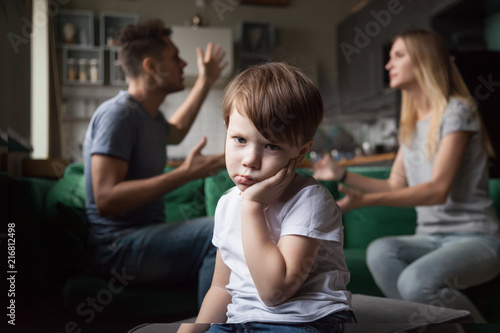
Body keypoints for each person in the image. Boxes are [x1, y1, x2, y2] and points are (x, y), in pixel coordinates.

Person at [313, 29, 500, 322]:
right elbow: (394, 184)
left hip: (475, 238)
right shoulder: (411, 125)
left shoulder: (457, 112)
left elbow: (437, 190)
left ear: (425, 61)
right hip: (428, 238)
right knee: (380, 251)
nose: (388, 65)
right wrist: (342, 175)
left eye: (398, 55)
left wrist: (363, 201)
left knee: (415, 282)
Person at [179, 63, 354, 333]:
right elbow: (220, 286)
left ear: (300, 152)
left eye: (271, 145)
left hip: (302, 321)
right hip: (242, 322)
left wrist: (252, 207)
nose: (250, 160)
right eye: (239, 139)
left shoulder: (310, 199)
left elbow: (275, 292)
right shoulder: (228, 203)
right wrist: (195, 329)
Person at [83, 19, 227, 306]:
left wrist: (206, 80)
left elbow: (178, 129)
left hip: (140, 241)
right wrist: (185, 174)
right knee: (220, 230)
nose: (184, 63)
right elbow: (106, 199)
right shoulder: (118, 115)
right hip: (117, 248)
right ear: (150, 67)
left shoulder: (150, 118)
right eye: (175, 57)